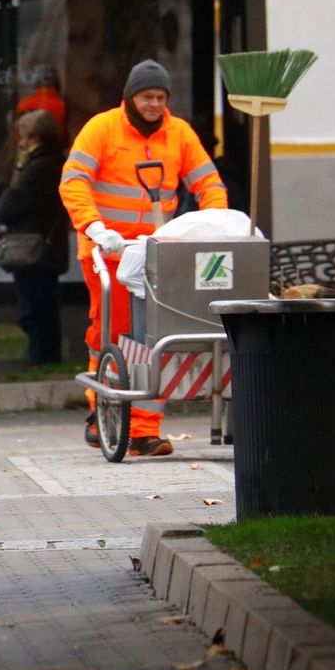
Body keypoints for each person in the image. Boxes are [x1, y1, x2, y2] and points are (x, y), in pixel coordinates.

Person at [59, 59, 228, 457]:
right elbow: (74, 181)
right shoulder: (102, 129)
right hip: (109, 253)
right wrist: (95, 227)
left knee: (154, 338)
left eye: (160, 97)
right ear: (130, 97)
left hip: (155, 255)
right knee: (113, 333)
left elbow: (209, 183)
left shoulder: (179, 133)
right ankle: (104, 412)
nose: (154, 104)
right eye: (146, 96)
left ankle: (143, 430)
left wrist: (217, 223)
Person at [0, 109, 69, 366]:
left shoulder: (38, 167)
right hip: (45, 245)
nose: (21, 144)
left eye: (25, 138)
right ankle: (46, 357)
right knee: (44, 305)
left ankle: (42, 359)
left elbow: (7, 206)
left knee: (36, 307)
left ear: (37, 138)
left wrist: (18, 170)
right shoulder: (55, 163)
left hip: (33, 247)